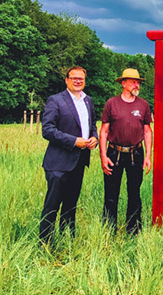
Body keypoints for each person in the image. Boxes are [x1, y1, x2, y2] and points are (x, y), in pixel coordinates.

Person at [39, 66, 99, 242]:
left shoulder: (88, 101)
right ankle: (46, 244)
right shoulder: (55, 100)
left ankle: (67, 240)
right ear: (66, 80)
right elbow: (47, 130)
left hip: (79, 161)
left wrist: (94, 137)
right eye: (74, 78)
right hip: (58, 163)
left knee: (71, 205)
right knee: (52, 206)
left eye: (81, 78)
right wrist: (74, 141)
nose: (78, 81)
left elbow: (92, 124)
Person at [100, 68, 153, 235]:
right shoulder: (111, 103)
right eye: (132, 82)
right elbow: (104, 131)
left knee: (134, 193)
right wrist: (103, 156)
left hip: (135, 153)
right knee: (111, 193)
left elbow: (147, 131)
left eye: (137, 82)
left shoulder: (143, 104)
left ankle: (134, 230)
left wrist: (148, 156)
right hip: (113, 153)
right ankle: (108, 229)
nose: (136, 84)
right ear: (123, 83)